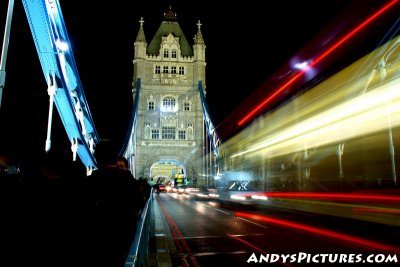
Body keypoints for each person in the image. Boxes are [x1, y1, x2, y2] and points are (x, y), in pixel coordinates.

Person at [85, 139, 145, 267]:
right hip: (125, 241)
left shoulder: (89, 183)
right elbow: (139, 205)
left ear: (96, 158)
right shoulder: (130, 181)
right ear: (115, 156)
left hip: (98, 243)